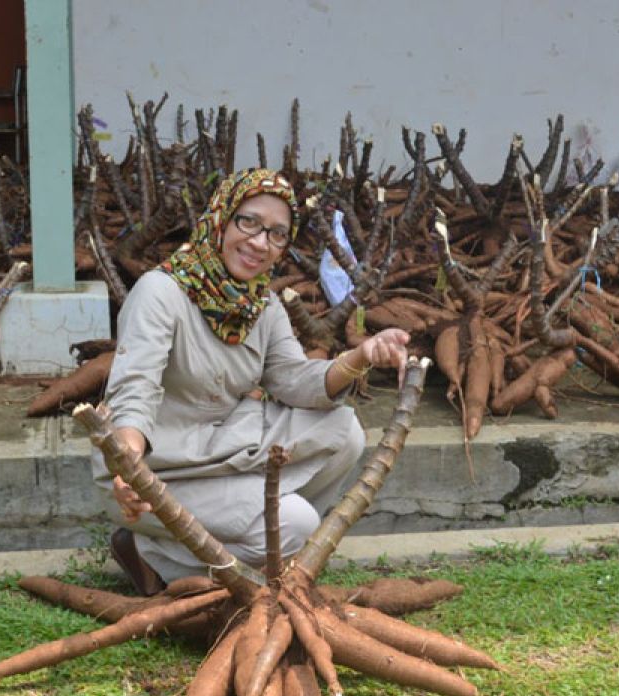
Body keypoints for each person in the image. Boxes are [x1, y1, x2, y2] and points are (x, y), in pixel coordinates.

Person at [92, 167, 409, 594]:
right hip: (158, 470)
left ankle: (255, 549)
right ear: (222, 217)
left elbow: (295, 380)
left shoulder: (261, 304)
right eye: (250, 222)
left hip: (223, 447)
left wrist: (360, 356)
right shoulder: (159, 292)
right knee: (297, 522)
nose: (261, 243)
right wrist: (128, 467)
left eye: (278, 234)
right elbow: (135, 388)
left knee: (345, 430)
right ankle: (154, 555)